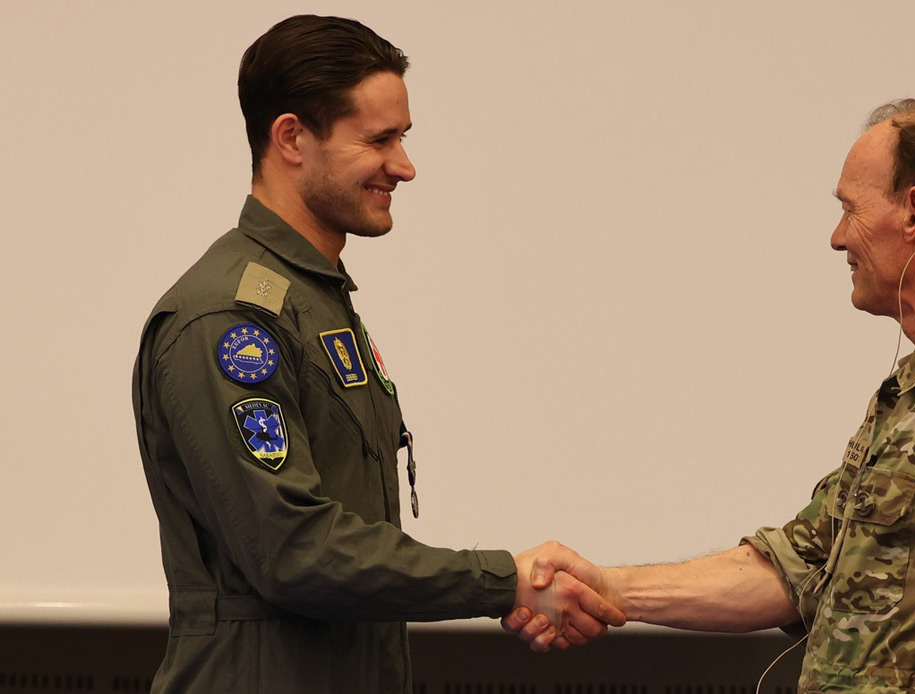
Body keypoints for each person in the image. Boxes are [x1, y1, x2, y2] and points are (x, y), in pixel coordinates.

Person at [507, 97, 915, 693]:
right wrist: (610, 590)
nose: (836, 237)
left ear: (914, 212)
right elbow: (797, 566)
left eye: (850, 209)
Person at [131, 14, 622, 694]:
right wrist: (504, 579)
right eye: (379, 139)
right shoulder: (231, 318)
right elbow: (294, 552)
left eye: (404, 137)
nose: (405, 165)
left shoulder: (313, 302)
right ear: (292, 138)